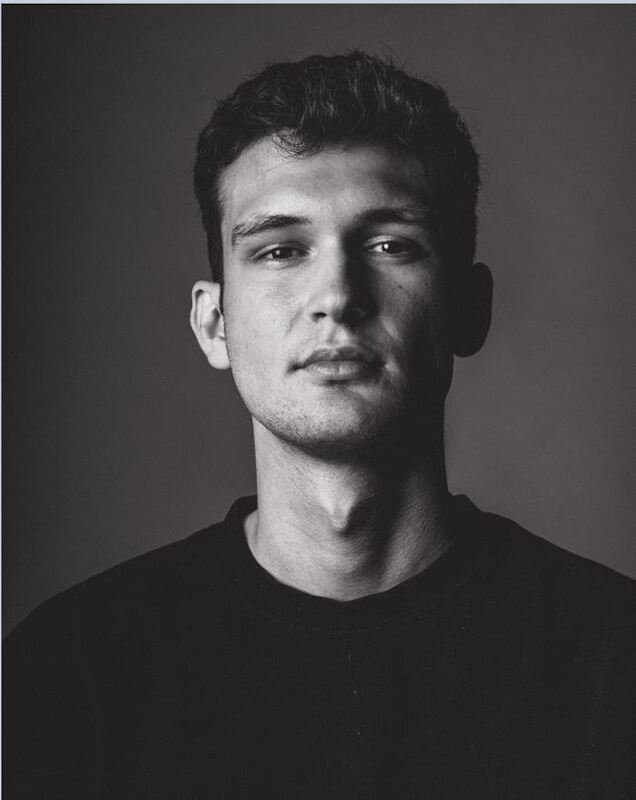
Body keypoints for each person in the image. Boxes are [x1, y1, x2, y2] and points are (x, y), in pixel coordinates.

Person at [4, 51, 634, 798]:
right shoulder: (70, 672)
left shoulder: (615, 658)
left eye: (389, 245)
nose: (337, 295)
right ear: (214, 323)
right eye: (279, 250)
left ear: (469, 307)